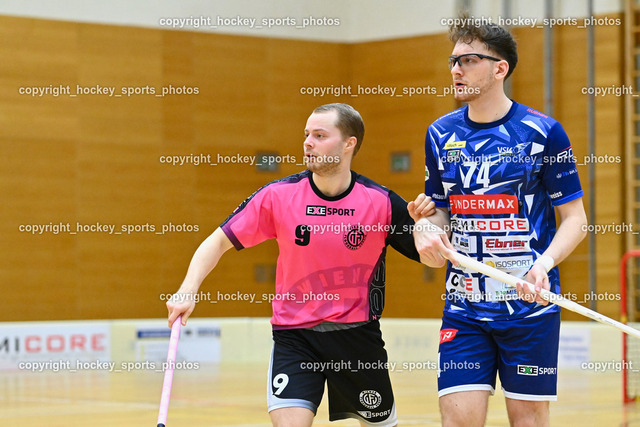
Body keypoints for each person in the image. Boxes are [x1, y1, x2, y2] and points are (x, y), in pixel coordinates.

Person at [165, 103, 435, 427]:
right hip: (295, 338)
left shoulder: (380, 202)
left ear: (349, 144)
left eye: (319, 135)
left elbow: (432, 259)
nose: (308, 142)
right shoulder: (278, 196)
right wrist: (187, 289)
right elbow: (217, 241)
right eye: (307, 134)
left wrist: (426, 226)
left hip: (357, 338)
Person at [412, 17, 588, 427]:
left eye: (468, 60)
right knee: (458, 420)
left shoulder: (544, 133)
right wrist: (427, 230)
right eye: (453, 60)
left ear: (499, 68)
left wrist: (542, 266)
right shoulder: (439, 134)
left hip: (529, 309)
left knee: (527, 421)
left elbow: (575, 219)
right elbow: (438, 209)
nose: (456, 69)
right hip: (465, 308)